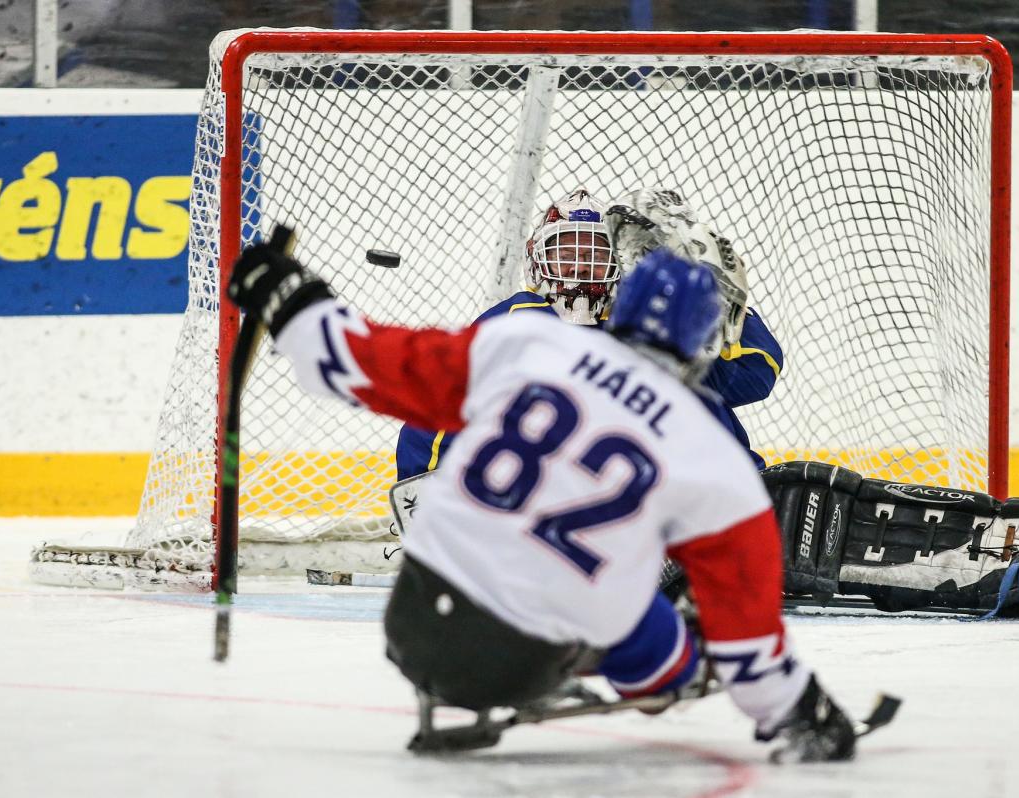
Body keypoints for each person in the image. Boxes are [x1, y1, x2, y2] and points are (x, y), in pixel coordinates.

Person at [226, 233, 857, 762]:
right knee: (653, 620)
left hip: (411, 625)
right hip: (523, 666)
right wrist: (803, 711)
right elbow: (748, 640)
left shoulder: (527, 344)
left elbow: (356, 363)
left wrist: (291, 295)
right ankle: (671, 670)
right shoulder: (713, 459)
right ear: (704, 342)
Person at [395, 188, 784, 480]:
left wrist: (721, 308)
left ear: (618, 261)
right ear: (537, 260)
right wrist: (422, 489)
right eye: (566, 252)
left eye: (594, 253)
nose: (580, 265)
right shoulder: (517, 321)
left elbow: (753, 376)